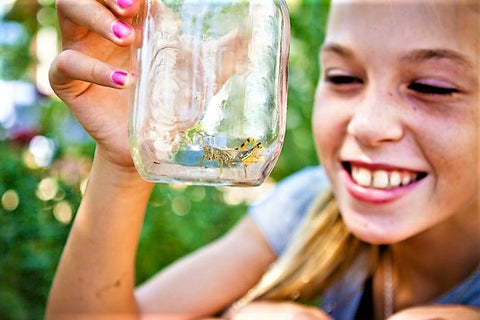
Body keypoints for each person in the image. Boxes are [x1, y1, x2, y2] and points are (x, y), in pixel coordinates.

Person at [46, 0, 480, 319]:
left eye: (432, 87)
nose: (367, 125)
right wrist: (127, 159)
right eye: (343, 77)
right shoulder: (309, 206)